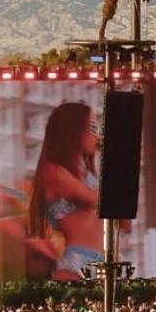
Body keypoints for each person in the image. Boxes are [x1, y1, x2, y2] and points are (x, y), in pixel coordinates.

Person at [26, 101, 104, 281]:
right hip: (76, 265)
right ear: (73, 129)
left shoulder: (90, 175)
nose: (97, 134)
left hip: (102, 265)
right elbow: (101, 202)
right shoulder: (53, 172)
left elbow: (124, 224)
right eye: (92, 126)